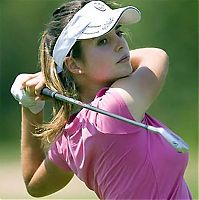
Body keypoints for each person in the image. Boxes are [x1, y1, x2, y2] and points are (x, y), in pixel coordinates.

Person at [11, 0, 192, 199]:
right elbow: (155, 56)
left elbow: (35, 184)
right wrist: (52, 72)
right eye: (103, 41)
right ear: (73, 64)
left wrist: (30, 105)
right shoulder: (113, 108)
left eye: (118, 33)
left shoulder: (72, 137)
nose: (120, 44)